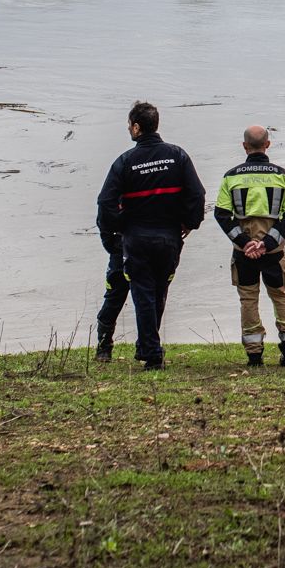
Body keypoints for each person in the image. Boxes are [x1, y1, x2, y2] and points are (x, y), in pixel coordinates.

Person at [95, 101, 205, 371]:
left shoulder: (125, 161)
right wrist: (189, 223)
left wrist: (117, 231)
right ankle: (145, 348)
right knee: (157, 292)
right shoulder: (177, 156)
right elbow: (197, 194)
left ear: (136, 127)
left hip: (135, 238)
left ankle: (150, 351)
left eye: (129, 126)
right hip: (169, 236)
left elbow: (105, 202)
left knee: (139, 292)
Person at [214, 125, 285, 368]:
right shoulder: (283, 176)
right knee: (281, 296)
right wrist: (268, 243)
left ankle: (254, 355)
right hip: (274, 251)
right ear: (268, 144)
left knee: (248, 299)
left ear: (244, 146)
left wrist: (245, 243)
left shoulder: (231, 177)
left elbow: (222, 215)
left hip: (244, 252)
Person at [93, 249, 130, 362]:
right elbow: (105, 231)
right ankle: (104, 347)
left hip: (151, 248)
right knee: (113, 299)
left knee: (150, 302)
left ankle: (148, 349)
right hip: (121, 251)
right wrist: (112, 245)